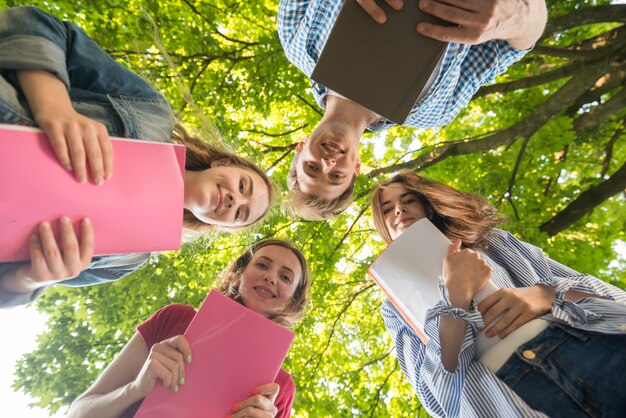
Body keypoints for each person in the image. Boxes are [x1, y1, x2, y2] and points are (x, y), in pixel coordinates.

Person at [0, 6, 274, 308]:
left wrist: (29, 280)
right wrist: (54, 107)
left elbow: (8, 289)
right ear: (223, 163)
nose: (236, 200)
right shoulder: (151, 113)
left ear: (217, 226)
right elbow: (33, 21)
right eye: (243, 186)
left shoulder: (126, 258)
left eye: (240, 214)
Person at [370, 170, 626, 417]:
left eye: (408, 200)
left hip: (582, 344)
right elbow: (436, 400)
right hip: (513, 397)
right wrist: (454, 299)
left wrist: (543, 295)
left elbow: (604, 295)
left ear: (427, 206)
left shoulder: (493, 242)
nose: (399, 210)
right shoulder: (393, 307)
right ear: (383, 226)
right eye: (387, 209)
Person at [278, 0, 548, 220]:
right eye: (336, 176)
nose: (328, 162)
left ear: (300, 147)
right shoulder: (435, 110)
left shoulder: (296, 43)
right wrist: (521, 15)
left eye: (312, 167)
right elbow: (514, 43)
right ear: (356, 168)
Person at [66, 239, 311, 418]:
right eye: (262, 265)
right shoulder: (174, 319)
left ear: (293, 300)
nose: (271, 277)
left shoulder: (280, 387)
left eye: (286, 277)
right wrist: (136, 389)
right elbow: (78, 413)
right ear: (239, 274)